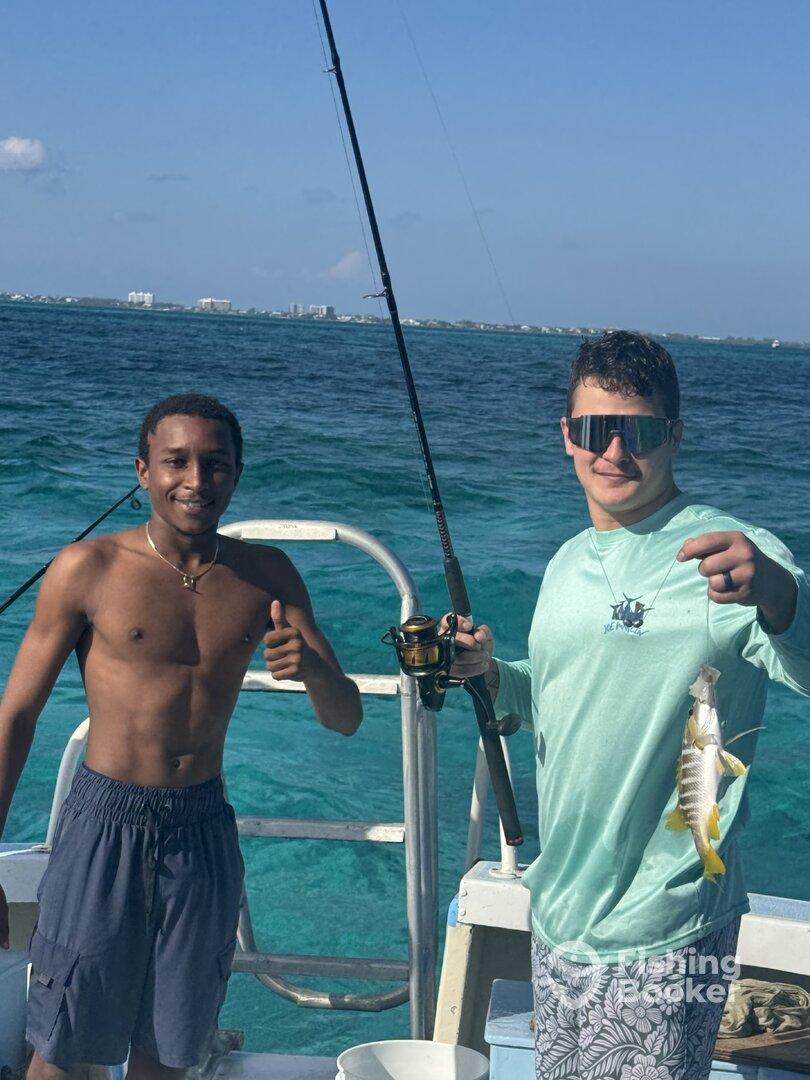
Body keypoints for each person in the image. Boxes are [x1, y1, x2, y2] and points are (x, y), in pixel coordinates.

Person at [448, 331, 809, 1080]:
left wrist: (777, 592)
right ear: (566, 438)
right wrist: (488, 672)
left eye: (637, 431)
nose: (613, 451)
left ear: (674, 436)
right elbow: (551, 702)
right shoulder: (568, 561)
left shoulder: (729, 551)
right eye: (592, 430)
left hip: (664, 925)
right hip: (559, 914)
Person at [0, 392, 362, 1080]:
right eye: (177, 462)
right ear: (142, 471)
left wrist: (313, 670)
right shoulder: (88, 569)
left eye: (215, 464)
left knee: (171, 1050)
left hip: (202, 829)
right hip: (104, 822)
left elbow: (345, 716)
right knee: (65, 1044)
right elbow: (16, 716)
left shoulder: (266, 575)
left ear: (237, 474)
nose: (196, 481)